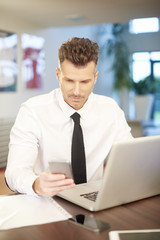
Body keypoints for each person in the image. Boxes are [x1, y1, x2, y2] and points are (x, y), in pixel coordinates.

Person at [5, 37, 133, 197]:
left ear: (95, 78)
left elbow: (130, 159)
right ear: (58, 75)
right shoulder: (32, 111)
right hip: (47, 200)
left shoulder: (110, 110)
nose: (77, 91)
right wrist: (36, 183)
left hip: (94, 199)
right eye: (69, 80)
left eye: (85, 81)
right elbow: (14, 172)